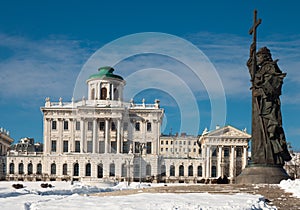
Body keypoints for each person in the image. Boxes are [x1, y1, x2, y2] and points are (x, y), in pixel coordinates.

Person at [247, 46, 292, 165]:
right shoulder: (261, 69)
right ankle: (260, 156)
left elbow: (275, 84)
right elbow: (253, 73)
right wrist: (251, 56)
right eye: (257, 57)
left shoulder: (271, 67)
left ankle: (271, 155)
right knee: (259, 129)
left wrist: (262, 91)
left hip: (268, 102)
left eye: (259, 56)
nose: (258, 59)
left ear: (265, 56)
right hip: (259, 103)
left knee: (269, 127)